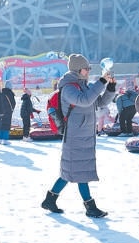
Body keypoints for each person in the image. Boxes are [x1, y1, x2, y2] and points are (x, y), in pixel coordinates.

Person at [40, 54, 116, 217]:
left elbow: (99, 102)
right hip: (75, 136)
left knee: (70, 172)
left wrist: (110, 88)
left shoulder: (83, 86)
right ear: (77, 70)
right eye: (86, 68)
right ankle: (90, 207)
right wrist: (101, 81)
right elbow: (85, 100)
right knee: (80, 172)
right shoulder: (69, 88)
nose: (88, 71)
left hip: (84, 135)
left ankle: (50, 199)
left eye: (89, 68)